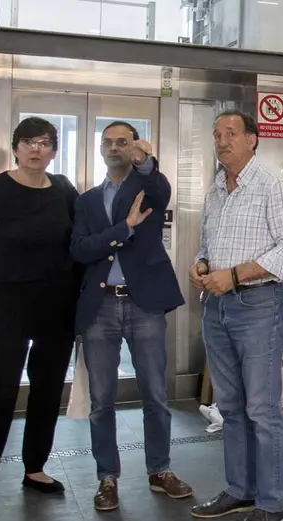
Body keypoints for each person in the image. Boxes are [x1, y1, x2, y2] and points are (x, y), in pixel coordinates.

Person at [0, 117, 81, 514]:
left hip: (57, 306)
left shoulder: (63, 190)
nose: (35, 150)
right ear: (16, 148)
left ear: (54, 150)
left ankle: (35, 467)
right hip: (7, 304)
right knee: (3, 393)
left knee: (47, 389)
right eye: (28, 142)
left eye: (44, 143)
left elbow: (82, 240)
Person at [188, 110, 283, 521]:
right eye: (217, 134)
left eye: (231, 134)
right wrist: (201, 266)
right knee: (231, 407)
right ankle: (240, 490)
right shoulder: (216, 188)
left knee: (262, 409)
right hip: (216, 307)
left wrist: (235, 276)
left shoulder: (275, 185)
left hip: (258, 306)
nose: (222, 141)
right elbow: (208, 246)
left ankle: (272, 504)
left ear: (253, 140)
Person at [70, 121, 191, 511]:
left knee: (155, 394)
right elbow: (80, 249)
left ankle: (160, 471)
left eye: (122, 142)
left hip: (144, 305)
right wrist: (124, 228)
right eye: (108, 142)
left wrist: (147, 163)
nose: (114, 148)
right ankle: (107, 477)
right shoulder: (87, 200)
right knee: (101, 401)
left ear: (134, 147)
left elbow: (161, 189)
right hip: (100, 306)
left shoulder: (147, 188)